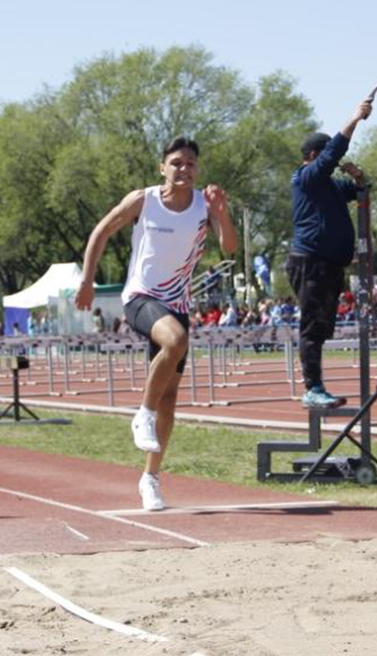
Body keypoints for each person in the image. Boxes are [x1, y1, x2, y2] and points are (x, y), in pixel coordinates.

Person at [76, 136, 237, 510]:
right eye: (177, 163)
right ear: (162, 167)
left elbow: (229, 247)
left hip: (176, 302)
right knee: (176, 340)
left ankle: (150, 478)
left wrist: (223, 212)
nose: (184, 169)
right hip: (141, 297)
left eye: (191, 164)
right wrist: (87, 280)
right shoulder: (143, 200)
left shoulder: (203, 205)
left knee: (170, 398)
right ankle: (141, 416)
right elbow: (101, 231)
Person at [289, 91, 373, 408]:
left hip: (331, 266)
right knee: (311, 328)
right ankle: (312, 388)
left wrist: (360, 177)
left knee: (322, 329)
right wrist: (354, 119)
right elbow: (333, 151)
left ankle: (318, 386)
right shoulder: (305, 179)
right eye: (327, 158)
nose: (333, 164)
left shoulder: (333, 186)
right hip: (309, 262)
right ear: (312, 155)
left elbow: (363, 192)